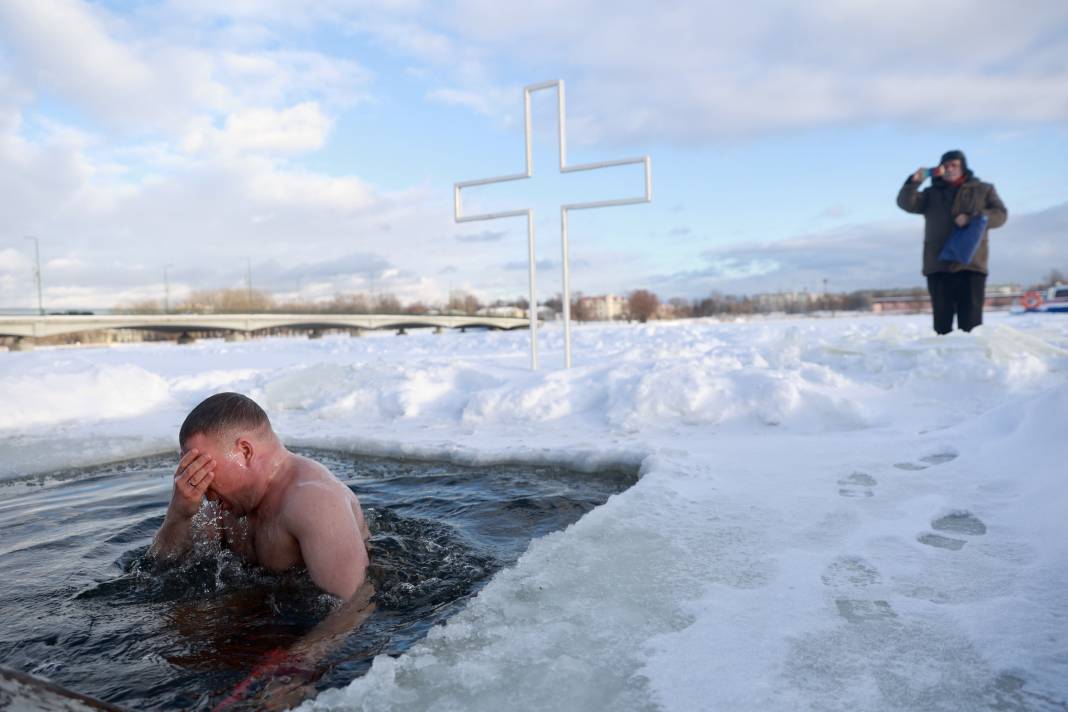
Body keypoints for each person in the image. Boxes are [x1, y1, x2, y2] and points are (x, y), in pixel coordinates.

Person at [150, 392, 371, 599]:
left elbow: (354, 607)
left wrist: (303, 644)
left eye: (204, 468)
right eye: (191, 469)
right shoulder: (226, 505)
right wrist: (179, 514)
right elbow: (162, 567)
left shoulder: (315, 500)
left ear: (245, 451)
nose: (202, 487)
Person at [897, 149, 1008, 334]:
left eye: (954, 165)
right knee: (942, 326)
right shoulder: (930, 194)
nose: (950, 169)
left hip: (971, 265)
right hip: (938, 264)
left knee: (971, 326)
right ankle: (942, 361)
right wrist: (915, 180)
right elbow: (905, 203)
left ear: (963, 167)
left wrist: (975, 217)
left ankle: (972, 361)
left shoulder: (984, 190)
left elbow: (1001, 215)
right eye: (946, 166)